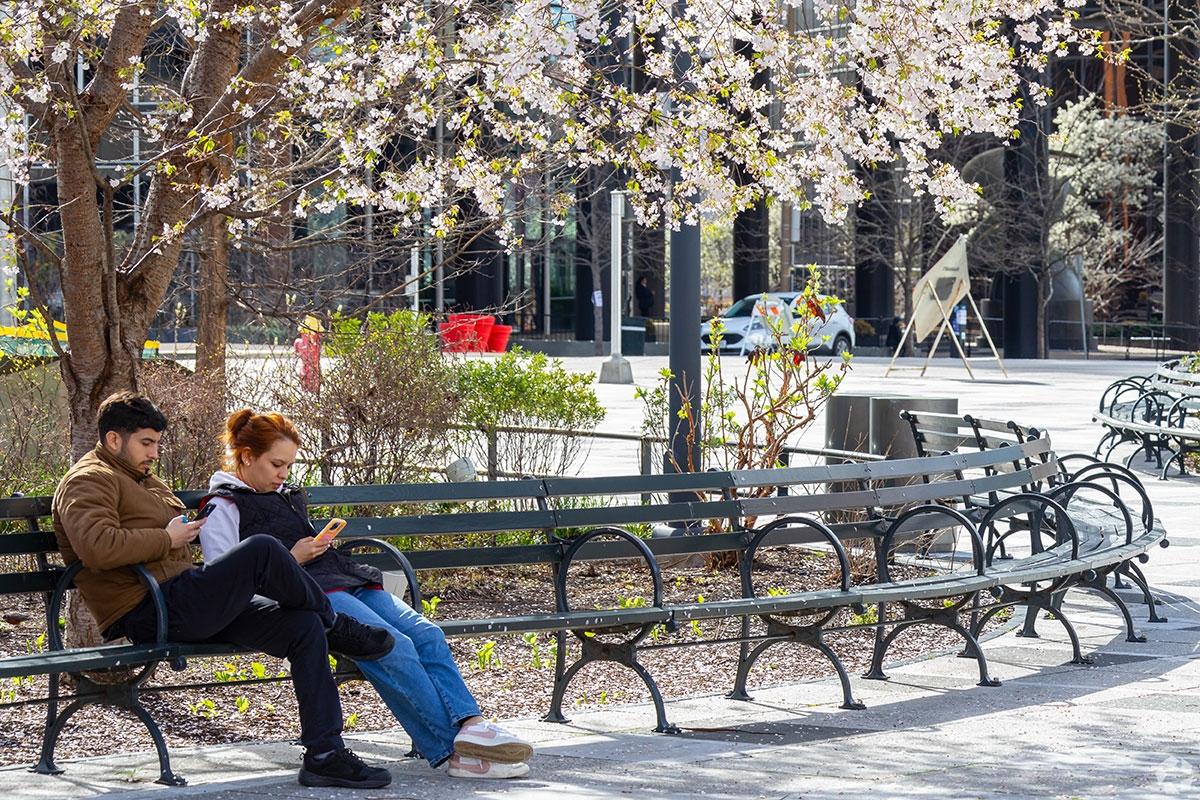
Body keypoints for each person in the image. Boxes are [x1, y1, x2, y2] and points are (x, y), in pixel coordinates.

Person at [52, 392, 396, 790]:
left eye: (157, 444)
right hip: (149, 607)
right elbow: (97, 547)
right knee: (263, 549)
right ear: (115, 440)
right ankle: (335, 622)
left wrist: (185, 532)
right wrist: (166, 537)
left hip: (185, 597)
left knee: (302, 627)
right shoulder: (88, 479)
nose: (154, 452)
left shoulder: (141, 479)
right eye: (146, 443)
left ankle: (324, 754)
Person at [199, 409, 535, 779]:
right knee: (394, 644)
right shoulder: (223, 505)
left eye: (289, 466)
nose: (283, 475)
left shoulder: (282, 493)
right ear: (247, 456)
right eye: (276, 464)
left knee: (426, 633)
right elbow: (225, 580)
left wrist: (316, 545)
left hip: (343, 578)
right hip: (307, 595)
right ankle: (455, 752)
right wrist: (294, 557)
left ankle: (472, 726)